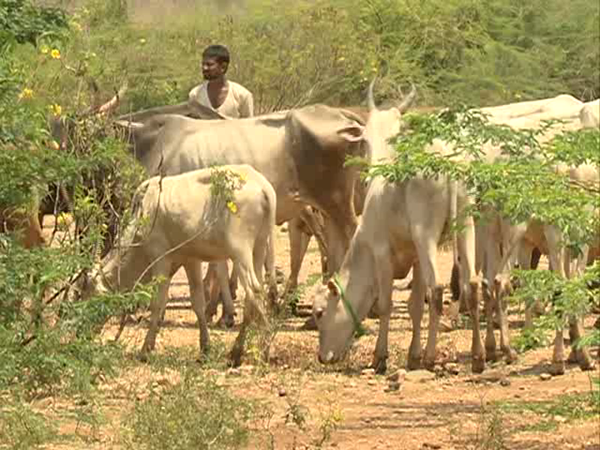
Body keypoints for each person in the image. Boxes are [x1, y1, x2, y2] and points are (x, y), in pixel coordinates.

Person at [188, 44, 254, 119]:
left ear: (223, 67)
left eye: (209, 65)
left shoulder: (242, 96)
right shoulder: (195, 95)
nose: (204, 68)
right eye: (203, 64)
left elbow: (249, 124)